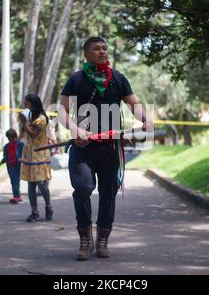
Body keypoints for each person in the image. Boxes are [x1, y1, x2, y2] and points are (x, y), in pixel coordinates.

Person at [58, 36, 151, 260]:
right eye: (96, 49)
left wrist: (146, 120)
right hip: (83, 148)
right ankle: (85, 238)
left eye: (104, 48)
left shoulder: (118, 78)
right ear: (86, 55)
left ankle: (102, 240)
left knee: (108, 193)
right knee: (82, 188)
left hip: (110, 148)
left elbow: (134, 104)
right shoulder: (76, 79)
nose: (102, 52)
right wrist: (75, 130)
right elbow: (61, 111)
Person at [18, 93, 53, 222]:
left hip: (40, 154)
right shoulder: (29, 116)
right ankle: (34, 212)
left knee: (42, 183)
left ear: (33, 104)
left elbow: (33, 134)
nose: (24, 106)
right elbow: (24, 135)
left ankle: (48, 206)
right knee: (31, 184)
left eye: (27, 103)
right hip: (29, 154)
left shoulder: (42, 119)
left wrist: (24, 122)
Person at [0, 128, 24, 204]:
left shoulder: (20, 144)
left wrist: (22, 159)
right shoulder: (6, 147)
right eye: (9, 138)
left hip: (17, 166)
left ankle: (15, 197)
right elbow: (5, 157)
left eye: (12, 138)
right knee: (13, 182)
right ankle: (18, 196)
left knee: (16, 181)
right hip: (10, 166)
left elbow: (25, 153)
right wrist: (2, 162)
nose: (10, 140)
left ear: (15, 137)